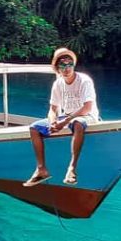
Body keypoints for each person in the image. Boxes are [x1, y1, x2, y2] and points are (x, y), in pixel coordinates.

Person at [24, 47, 101, 187]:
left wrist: (64, 121)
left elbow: (87, 107)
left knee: (77, 123)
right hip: (65, 117)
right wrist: (53, 122)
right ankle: (41, 169)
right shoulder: (58, 83)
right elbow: (53, 108)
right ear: (57, 68)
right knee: (34, 128)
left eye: (69, 64)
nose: (67, 68)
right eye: (63, 65)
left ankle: (72, 169)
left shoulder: (84, 80)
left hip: (87, 117)